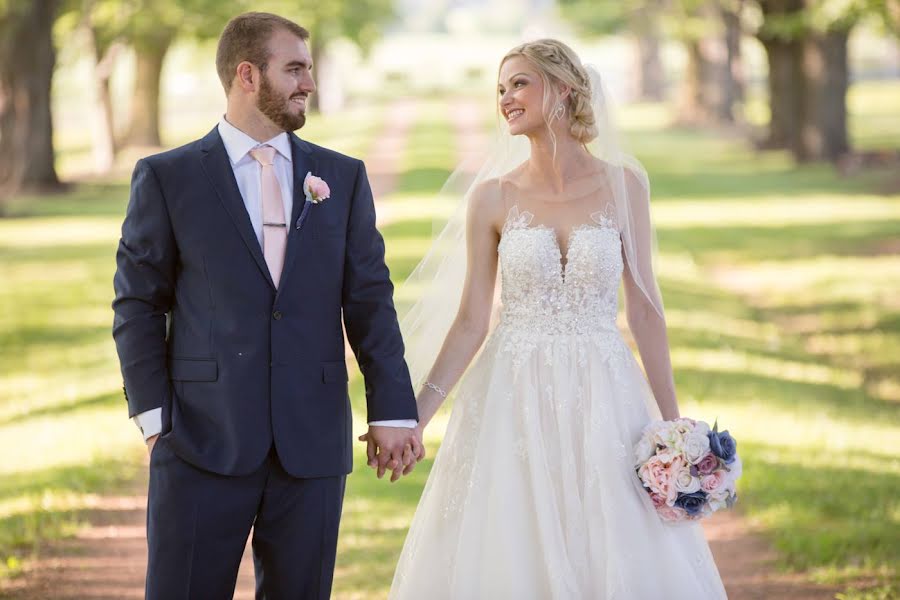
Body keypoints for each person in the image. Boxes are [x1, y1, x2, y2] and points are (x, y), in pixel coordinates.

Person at [386, 39, 728, 598]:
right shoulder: (492, 198)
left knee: (612, 532)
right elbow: (472, 318)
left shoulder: (625, 186)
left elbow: (644, 309)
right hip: (513, 394)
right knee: (516, 537)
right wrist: (416, 419)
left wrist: (675, 429)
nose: (505, 98)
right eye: (500, 89)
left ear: (564, 89)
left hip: (604, 387)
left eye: (519, 83)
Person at [111, 12, 422, 599]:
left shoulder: (341, 177)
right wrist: (155, 421)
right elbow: (137, 306)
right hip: (201, 438)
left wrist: (393, 409)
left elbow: (370, 301)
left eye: (308, 68)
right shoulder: (167, 176)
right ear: (247, 75)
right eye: (296, 69)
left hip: (312, 442)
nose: (309, 82)